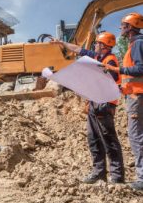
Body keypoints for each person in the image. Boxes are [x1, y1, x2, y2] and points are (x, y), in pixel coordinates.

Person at [53, 32, 125, 184]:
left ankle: (117, 177)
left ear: (104, 46)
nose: (95, 45)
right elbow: (79, 50)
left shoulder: (110, 60)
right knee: (94, 139)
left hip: (104, 104)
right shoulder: (97, 57)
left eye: (98, 43)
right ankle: (99, 173)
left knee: (109, 140)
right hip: (94, 102)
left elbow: (108, 81)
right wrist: (61, 43)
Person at [103, 12, 143, 190]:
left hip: (137, 96)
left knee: (136, 137)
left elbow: (139, 70)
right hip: (134, 94)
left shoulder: (137, 44)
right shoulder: (136, 44)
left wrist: (117, 69)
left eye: (123, 25)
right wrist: (122, 88)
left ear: (130, 27)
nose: (121, 28)